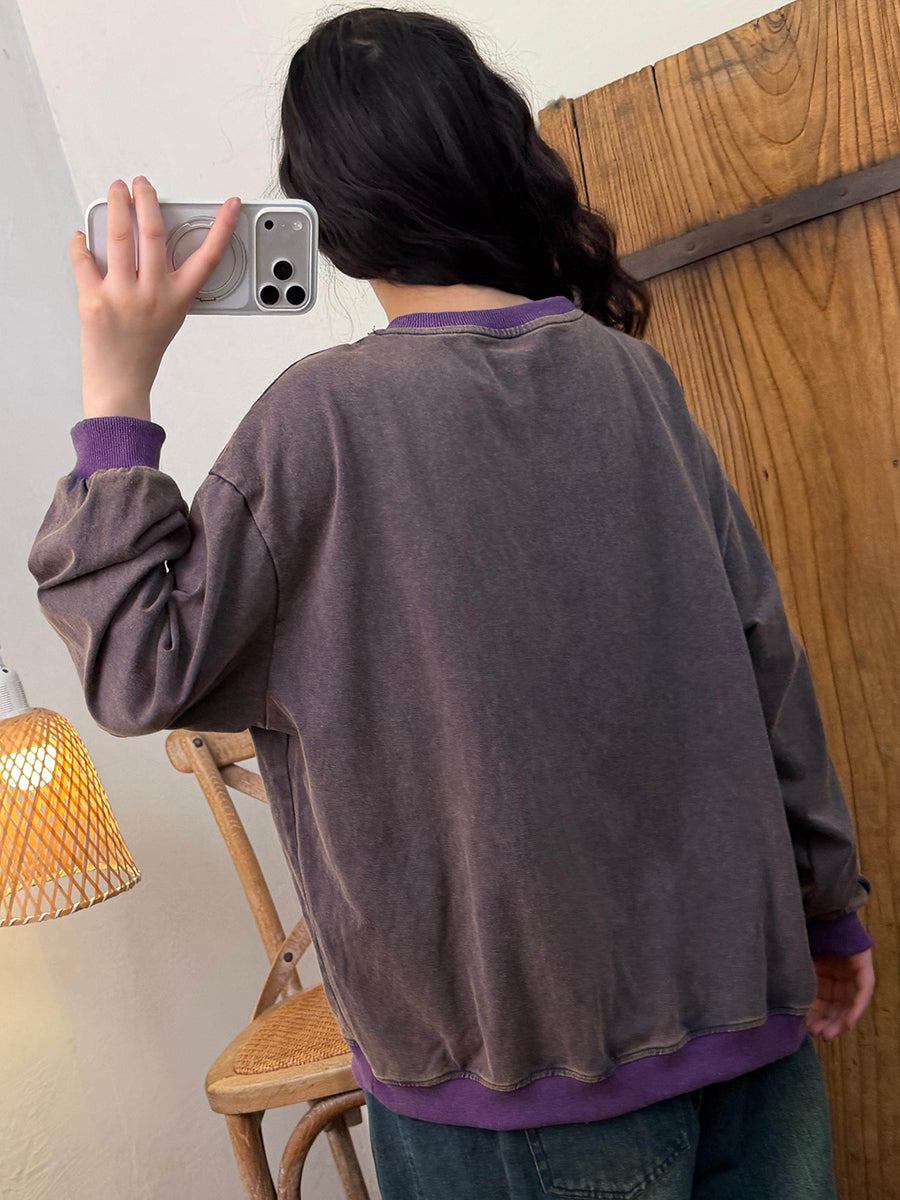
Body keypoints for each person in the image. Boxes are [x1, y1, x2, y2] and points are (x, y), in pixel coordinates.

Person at [28, 7, 875, 1198]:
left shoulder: (321, 422)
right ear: (493, 153)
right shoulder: (632, 377)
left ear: (328, 217)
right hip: (749, 1023)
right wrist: (831, 911)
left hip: (517, 1081)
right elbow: (764, 658)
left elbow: (135, 666)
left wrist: (117, 394)